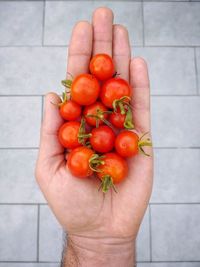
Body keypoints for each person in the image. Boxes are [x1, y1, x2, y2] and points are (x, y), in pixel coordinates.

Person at [35, 7, 153, 267]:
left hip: (98, 128)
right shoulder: (94, 149)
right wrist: (99, 243)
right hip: (96, 128)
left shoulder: (96, 153)